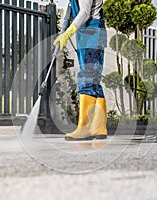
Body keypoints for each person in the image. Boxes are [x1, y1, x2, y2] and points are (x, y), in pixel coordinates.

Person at [53, 0, 107, 141]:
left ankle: (84, 127)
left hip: (91, 33)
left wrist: (68, 33)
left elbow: (84, 12)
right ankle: (99, 127)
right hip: (89, 33)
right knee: (94, 81)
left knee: (87, 78)